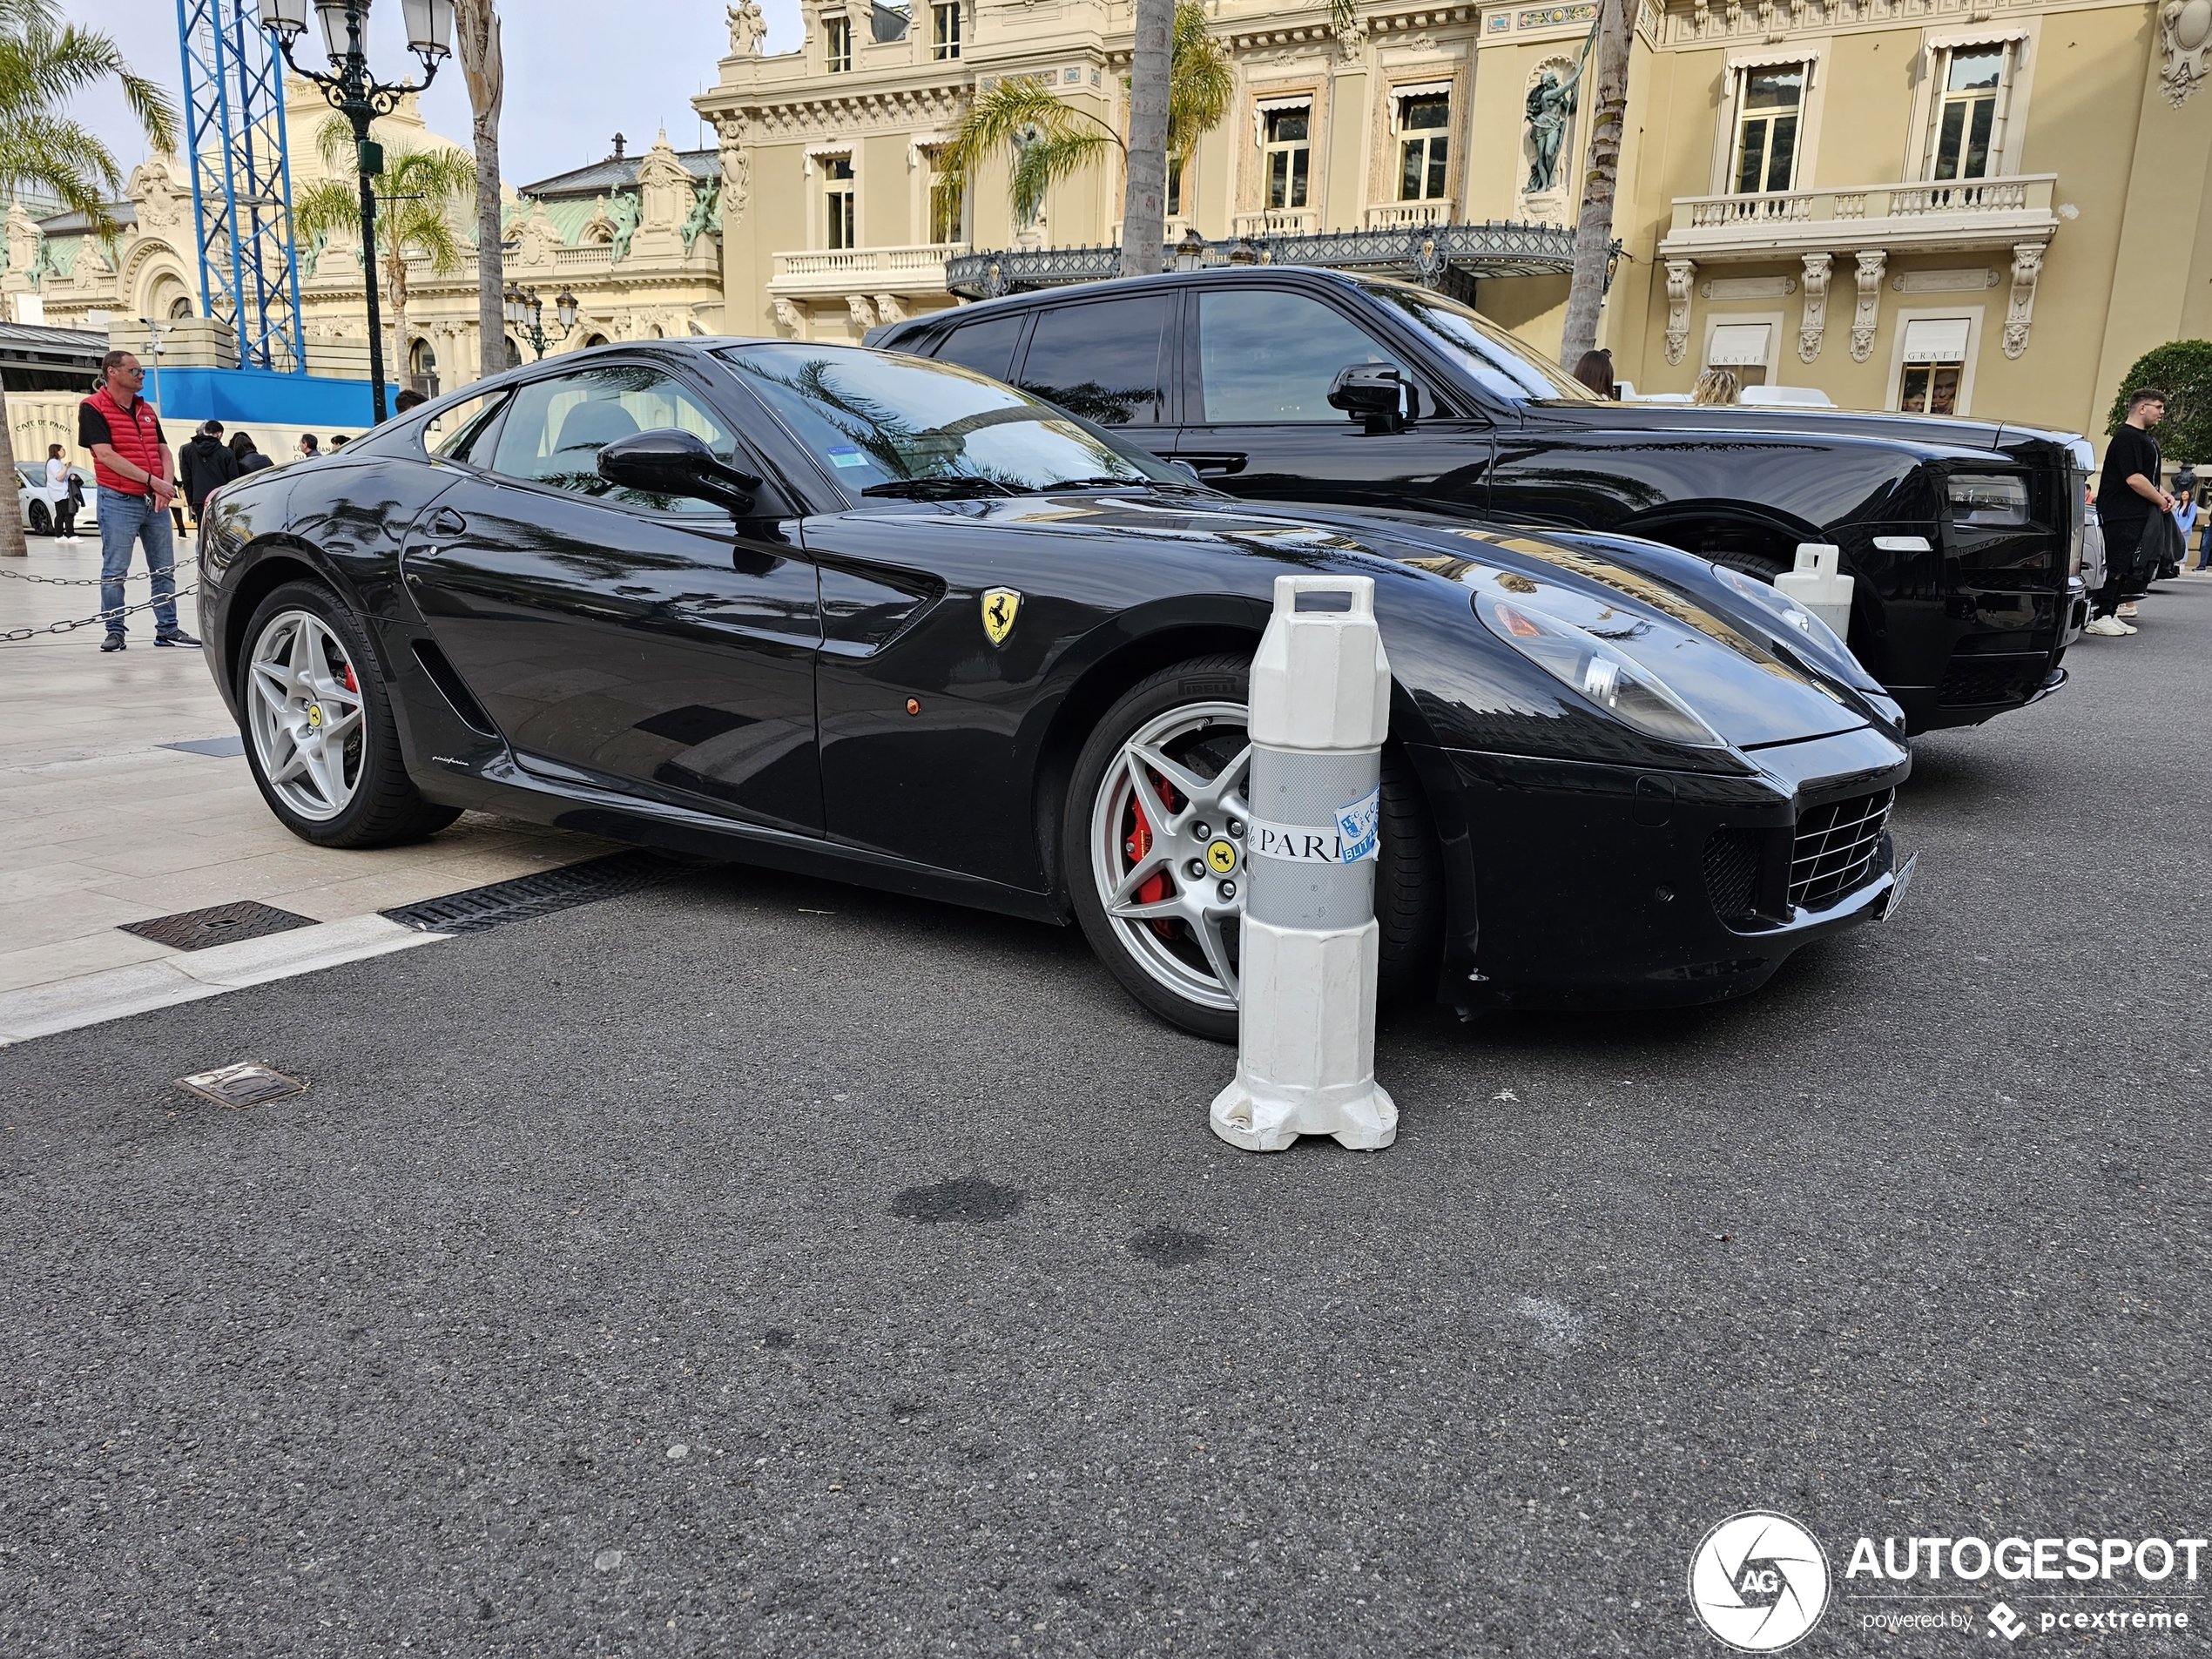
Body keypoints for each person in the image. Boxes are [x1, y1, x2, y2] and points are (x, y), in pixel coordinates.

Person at [78, 349, 196, 651]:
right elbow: (105, 454)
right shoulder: (93, 407)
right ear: (112, 372)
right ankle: (115, 631)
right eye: (135, 371)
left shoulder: (146, 409)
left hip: (153, 501)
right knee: (115, 570)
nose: (142, 375)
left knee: (164, 569)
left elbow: (163, 450)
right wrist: (152, 481)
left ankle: (168, 629)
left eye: (142, 371)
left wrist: (164, 485)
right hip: (118, 500)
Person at [2086, 388, 2173, 637]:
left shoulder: (2145, 440)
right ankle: (2100, 615)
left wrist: (2163, 493)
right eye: (2158, 407)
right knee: (2116, 564)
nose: (2162, 412)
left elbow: (2148, 477)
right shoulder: (2127, 438)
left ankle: (2110, 612)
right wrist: (2159, 500)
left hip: (2137, 513)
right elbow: (2134, 479)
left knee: (2127, 565)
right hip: (2120, 513)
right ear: (2142, 408)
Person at [179, 418, 238, 526]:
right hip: (221, 498)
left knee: (203, 533)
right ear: (219, 434)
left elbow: (186, 478)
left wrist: (190, 501)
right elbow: (233, 479)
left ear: (205, 431)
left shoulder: (187, 450)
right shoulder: (227, 453)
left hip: (199, 499)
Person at [44, 443, 78, 540]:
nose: (64, 451)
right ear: (57, 451)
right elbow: (59, 477)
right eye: (62, 450)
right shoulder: (53, 462)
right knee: (68, 513)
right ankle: (69, 534)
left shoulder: (57, 462)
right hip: (59, 492)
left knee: (61, 514)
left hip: (60, 492)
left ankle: (59, 534)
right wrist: (66, 468)